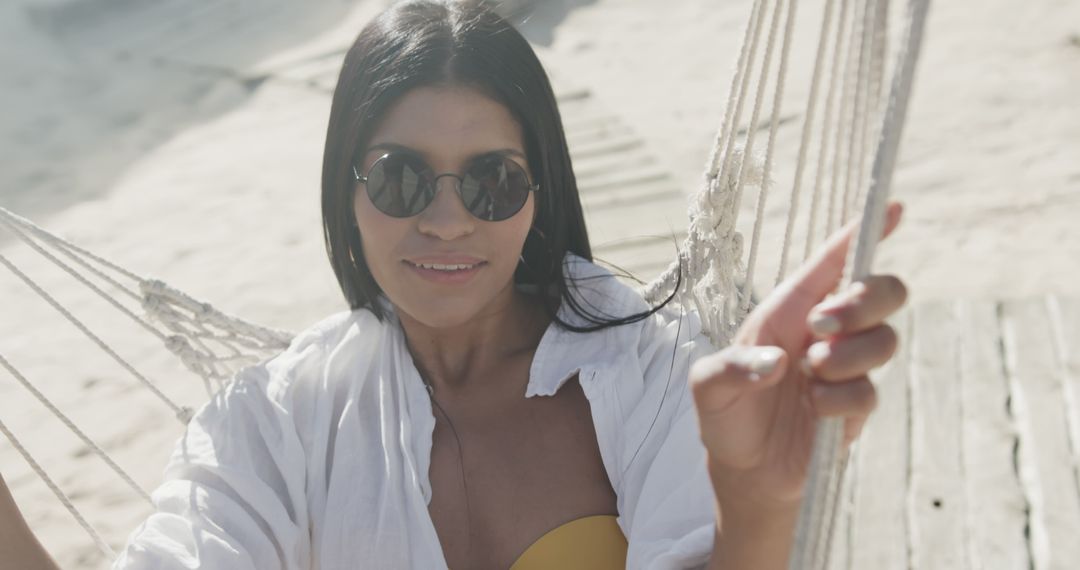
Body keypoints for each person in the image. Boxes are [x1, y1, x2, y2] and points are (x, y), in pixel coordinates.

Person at [0, 1, 907, 568]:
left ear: (538, 194)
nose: (444, 220)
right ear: (345, 194)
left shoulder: (654, 375)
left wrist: (758, 499)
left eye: (490, 181)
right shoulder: (277, 423)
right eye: (398, 178)